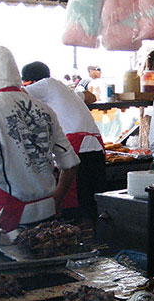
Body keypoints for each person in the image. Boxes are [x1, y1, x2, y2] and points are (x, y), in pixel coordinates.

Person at [0, 46, 79, 232]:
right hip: (48, 210)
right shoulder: (44, 108)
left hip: (10, 214)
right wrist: (58, 198)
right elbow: (70, 163)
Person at [22, 61, 106, 225]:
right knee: (93, 202)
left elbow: (14, 95)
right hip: (94, 147)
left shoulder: (45, 84)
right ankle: (95, 239)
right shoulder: (62, 89)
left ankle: (81, 240)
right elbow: (91, 97)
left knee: (77, 206)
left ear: (33, 82)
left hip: (79, 146)